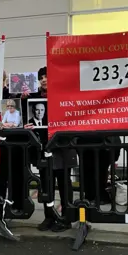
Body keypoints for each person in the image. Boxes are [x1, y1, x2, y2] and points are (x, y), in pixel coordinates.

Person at [23, 66, 78, 232]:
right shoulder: (32, 97)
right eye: (41, 78)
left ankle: (65, 218)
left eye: (46, 77)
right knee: (46, 185)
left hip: (62, 148)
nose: (44, 80)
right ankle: (49, 216)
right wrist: (23, 100)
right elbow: (24, 115)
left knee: (64, 183)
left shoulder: (62, 95)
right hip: (42, 148)